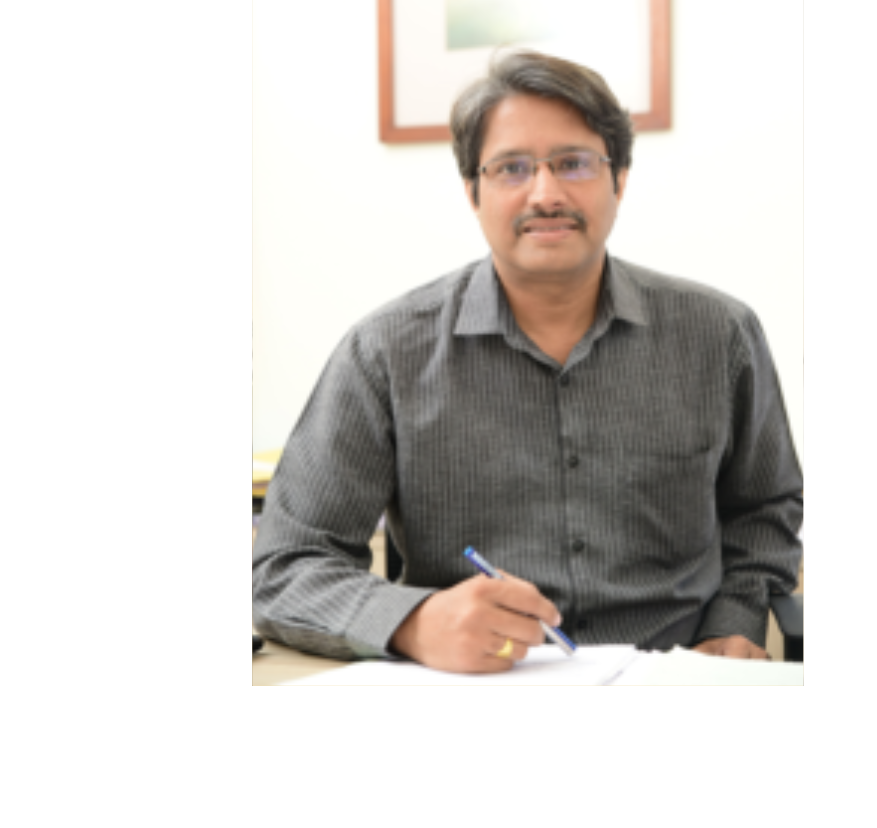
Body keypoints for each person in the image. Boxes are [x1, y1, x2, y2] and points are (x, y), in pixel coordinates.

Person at [252, 50, 803, 673]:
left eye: (574, 163)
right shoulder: (385, 353)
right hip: (475, 690)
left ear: (620, 179)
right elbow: (286, 567)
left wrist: (735, 620)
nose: (546, 194)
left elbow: (764, 511)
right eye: (512, 168)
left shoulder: (719, 336)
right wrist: (412, 621)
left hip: (674, 677)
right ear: (473, 192)